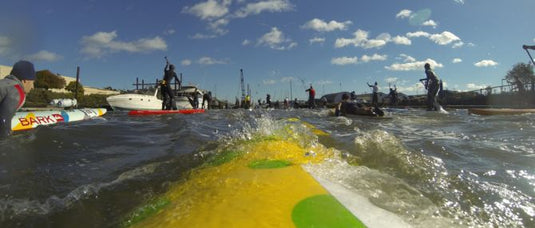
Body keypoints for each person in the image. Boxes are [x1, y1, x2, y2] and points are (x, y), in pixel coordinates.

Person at [0, 60, 36, 137]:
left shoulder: (3, 83)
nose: (33, 87)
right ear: (25, 80)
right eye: (32, 82)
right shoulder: (17, 90)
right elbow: (3, 120)